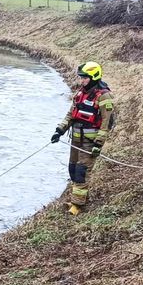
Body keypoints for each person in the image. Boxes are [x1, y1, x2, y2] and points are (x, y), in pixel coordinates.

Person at [51, 61, 114, 214]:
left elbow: (106, 122)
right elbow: (71, 114)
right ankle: (78, 198)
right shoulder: (80, 93)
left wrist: (98, 144)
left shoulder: (104, 96)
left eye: (85, 78)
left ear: (93, 77)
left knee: (81, 172)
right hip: (76, 139)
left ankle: (77, 205)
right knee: (72, 169)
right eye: (81, 77)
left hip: (90, 141)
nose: (82, 80)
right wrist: (60, 130)